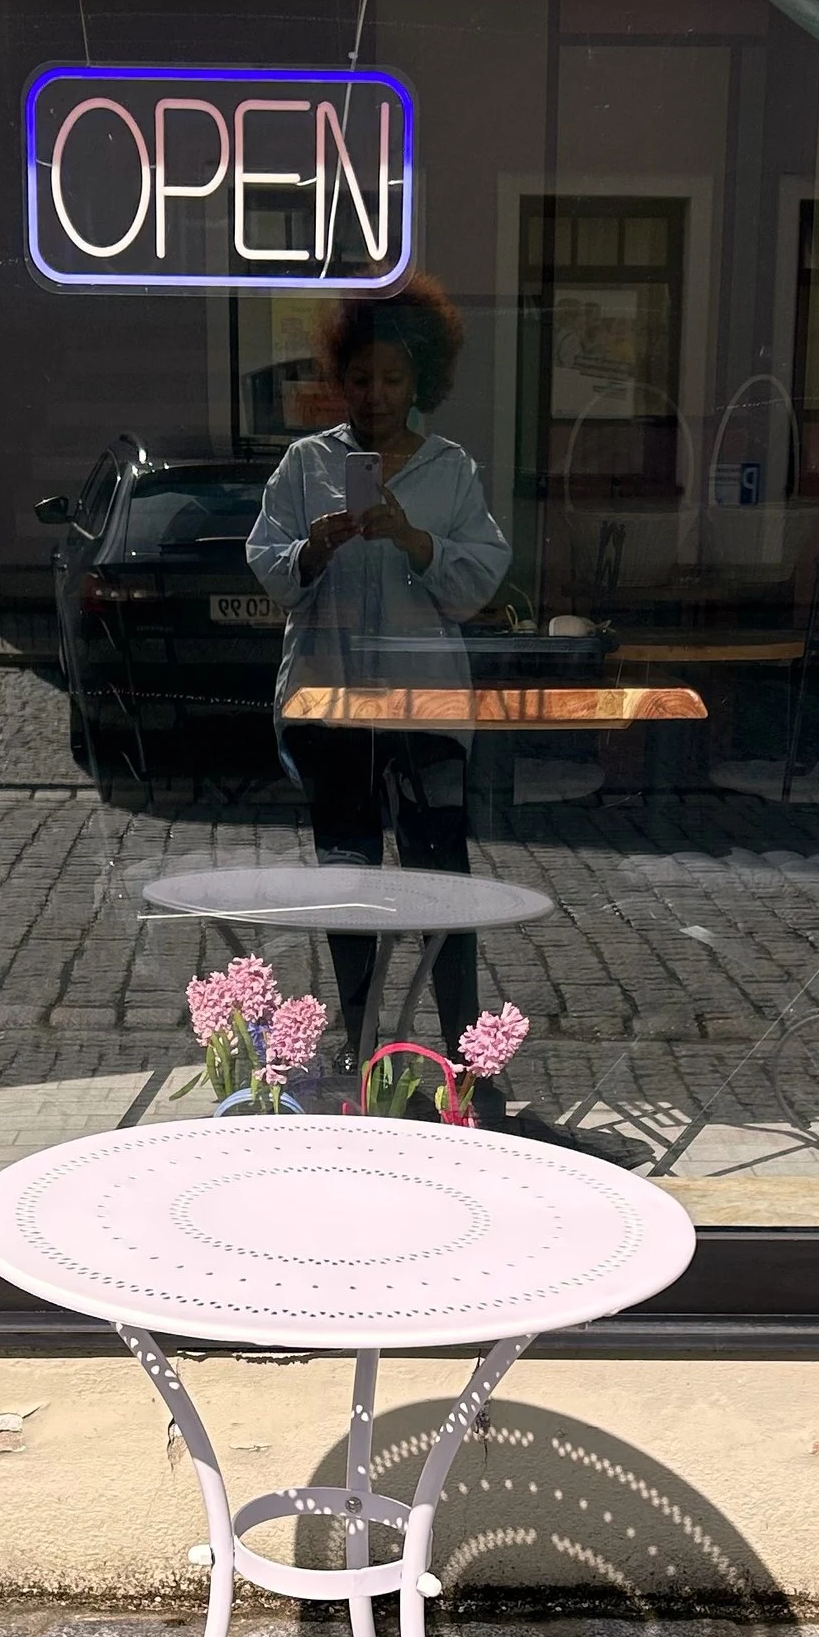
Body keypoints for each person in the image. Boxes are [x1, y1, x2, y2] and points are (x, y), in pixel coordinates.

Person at [247, 276, 513, 1072]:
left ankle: (470, 1060)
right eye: (361, 377)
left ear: (421, 380)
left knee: (445, 883)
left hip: (425, 712)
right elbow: (266, 564)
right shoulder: (306, 464)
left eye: (394, 378)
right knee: (348, 881)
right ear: (341, 376)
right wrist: (313, 549)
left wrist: (417, 542)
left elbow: (480, 581)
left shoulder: (450, 470)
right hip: (331, 709)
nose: (375, 394)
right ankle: (368, 1050)